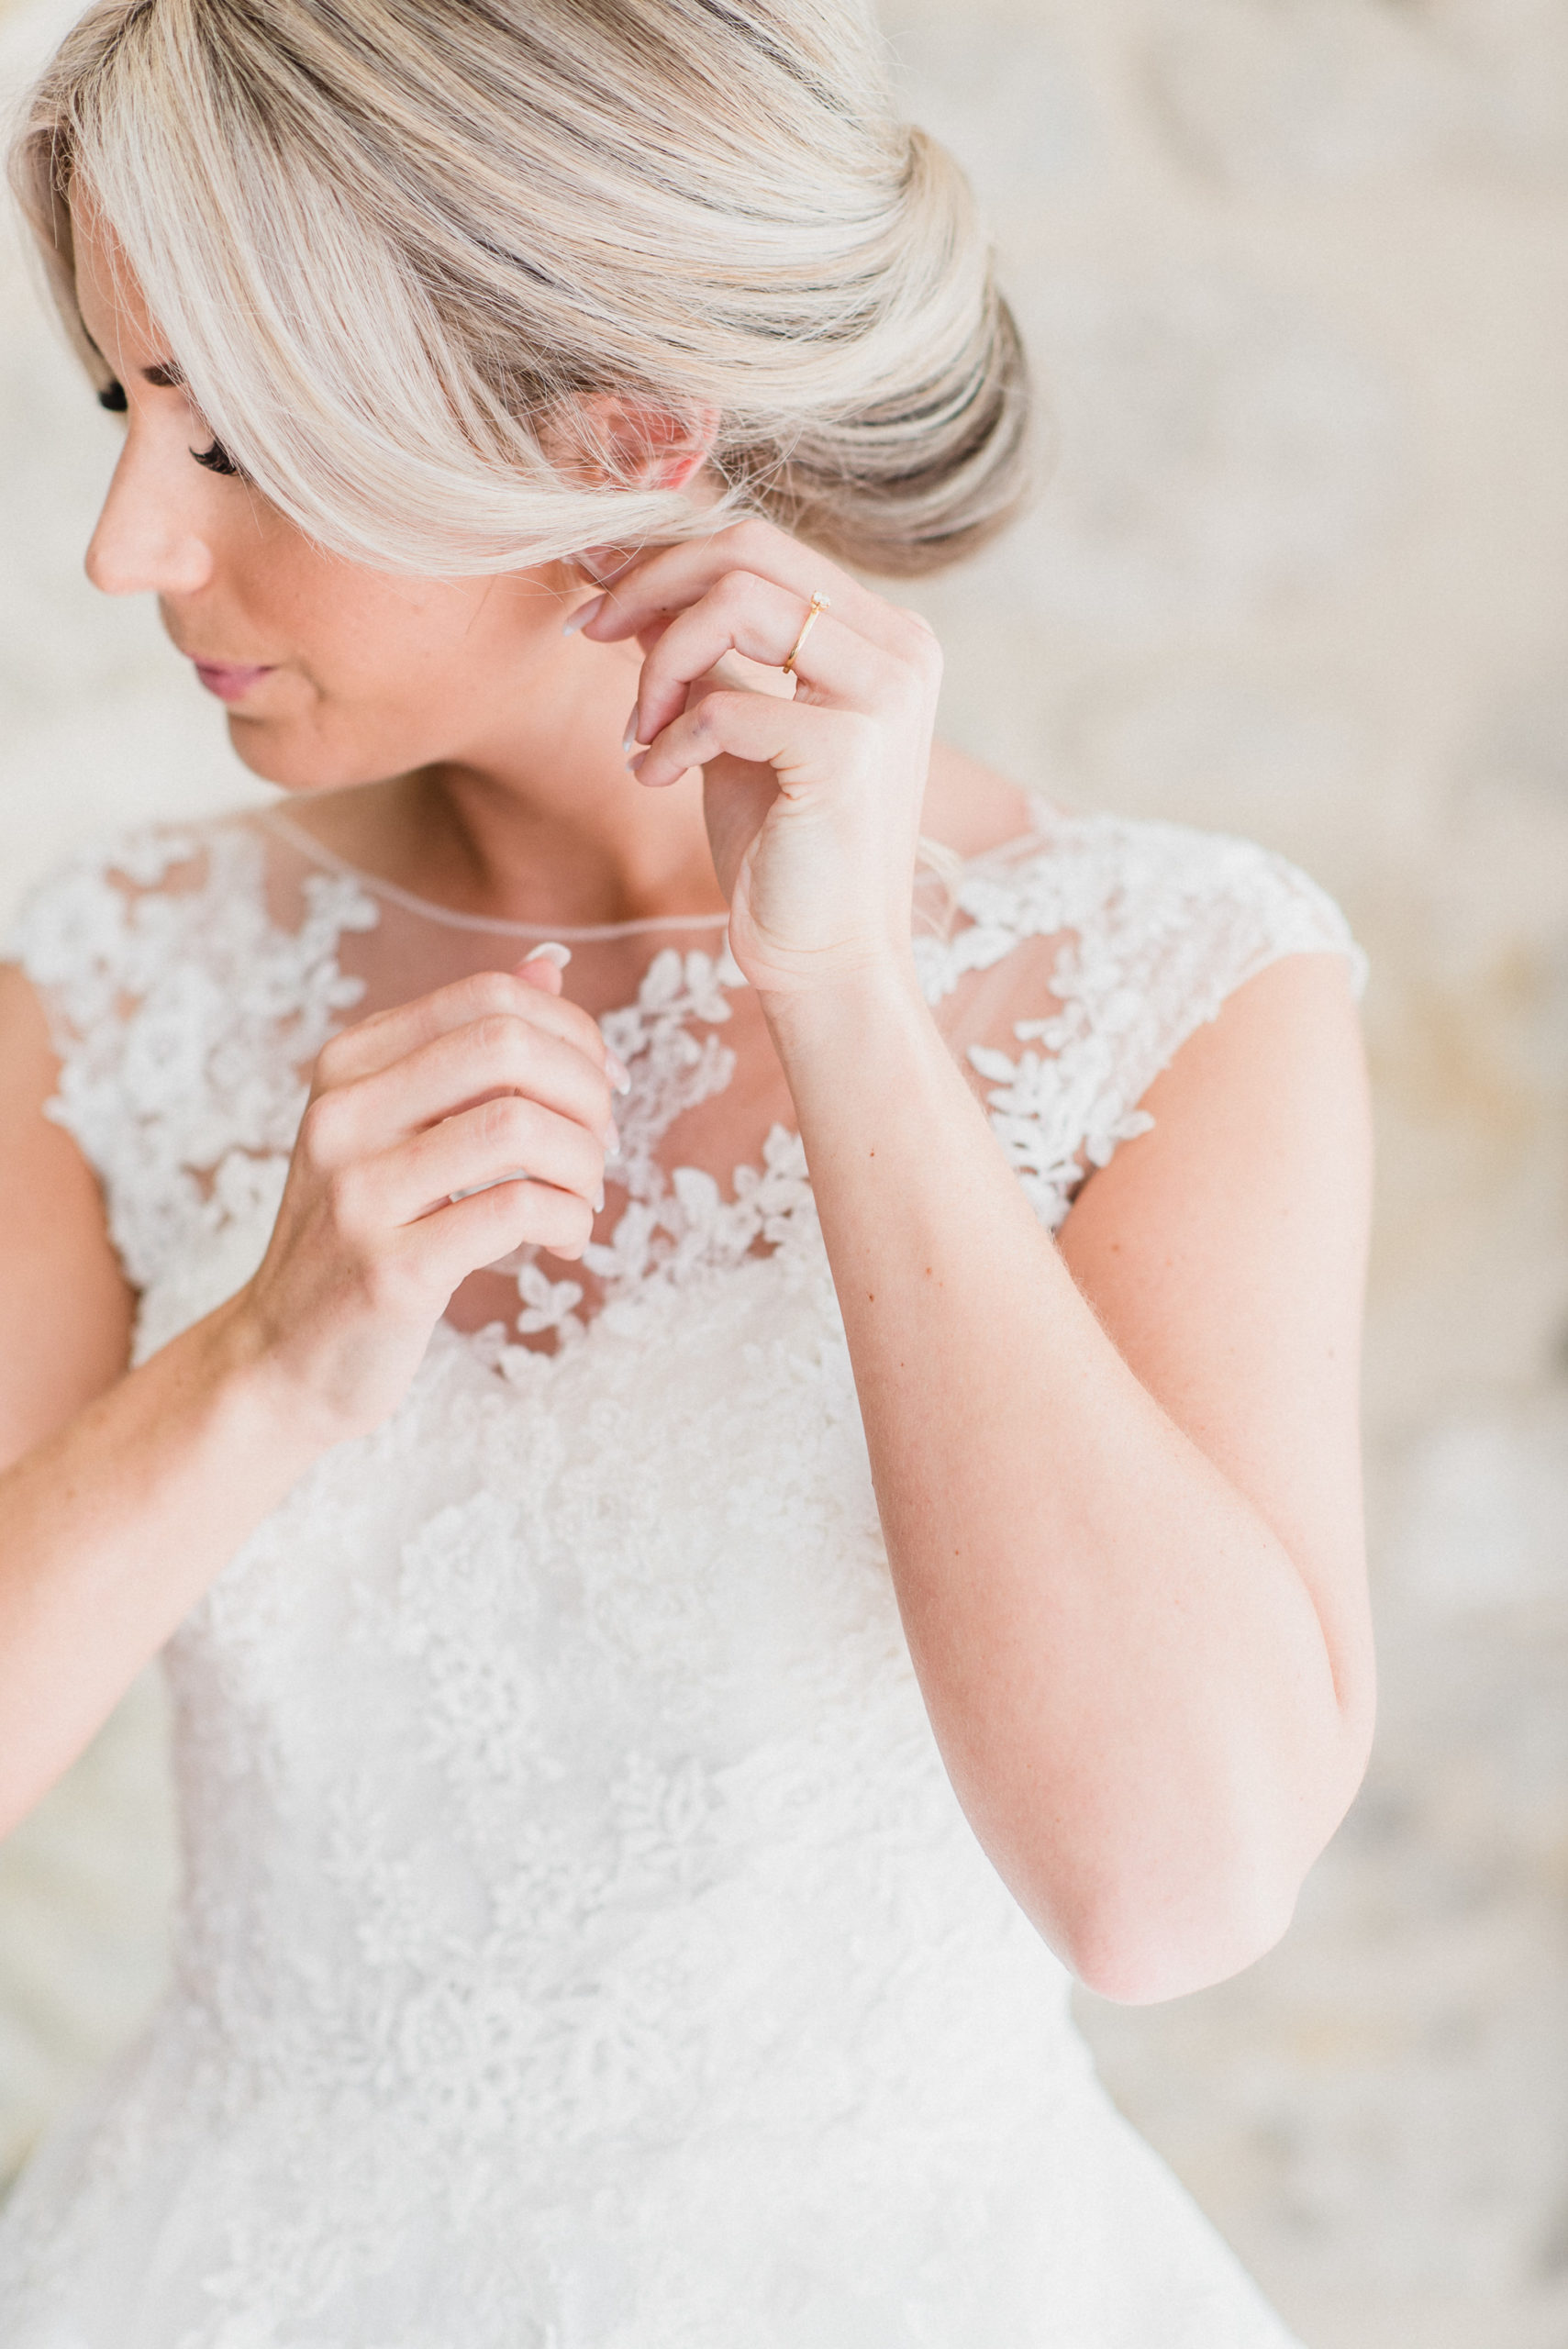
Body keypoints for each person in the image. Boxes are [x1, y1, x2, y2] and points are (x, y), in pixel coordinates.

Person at [0, 0, 1375, 2340]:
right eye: (120, 409)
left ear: (620, 442)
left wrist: (843, 993)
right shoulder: (114, 973)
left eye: (230, 435)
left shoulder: (1185, 985)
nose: (130, 542)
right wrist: (260, 1365)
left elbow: (1169, 1888)